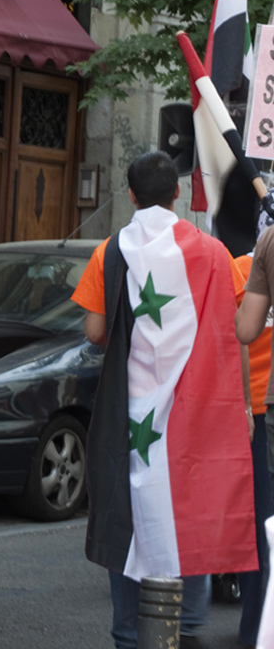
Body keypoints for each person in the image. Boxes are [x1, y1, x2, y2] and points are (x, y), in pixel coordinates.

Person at [73, 151, 255, 649]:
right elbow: (233, 334)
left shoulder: (110, 252)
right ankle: (187, 629)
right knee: (190, 506)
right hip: (196, 406)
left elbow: (94, 330)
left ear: (131, 194)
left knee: (125, 510)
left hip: (127, 411)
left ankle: (130, 633)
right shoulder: (215, 254)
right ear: (176, 193)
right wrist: (242, 407)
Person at [233, 207, 274, 649]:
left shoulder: (253, 256)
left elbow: (242, 331)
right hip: (257, 408)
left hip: (258, 408)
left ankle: (257, 629)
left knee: (262, 522)